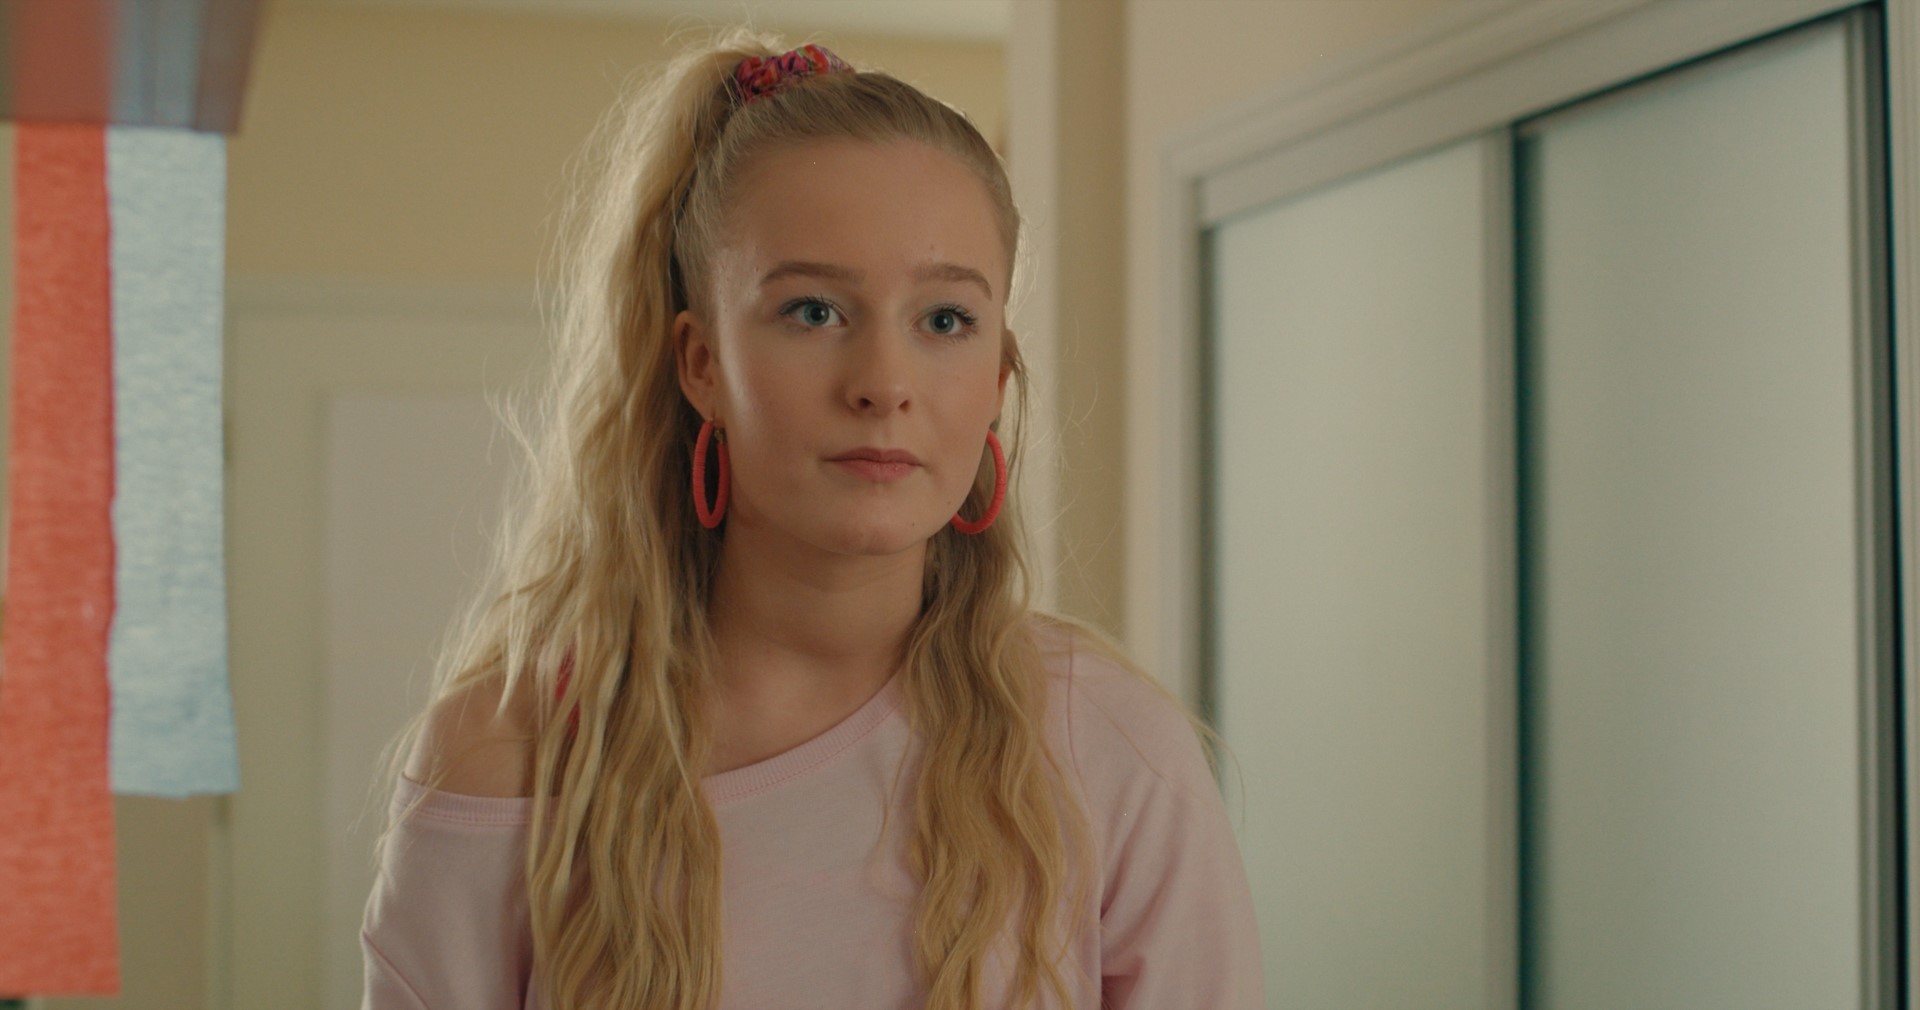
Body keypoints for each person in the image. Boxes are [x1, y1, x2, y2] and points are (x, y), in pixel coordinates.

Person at [359, 29, 1264, 1010]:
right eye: (814, 311)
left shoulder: (1112, 748)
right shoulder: (510, 758)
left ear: (998, 381)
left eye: (945, 320)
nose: (883, 383)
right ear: (701, 364)